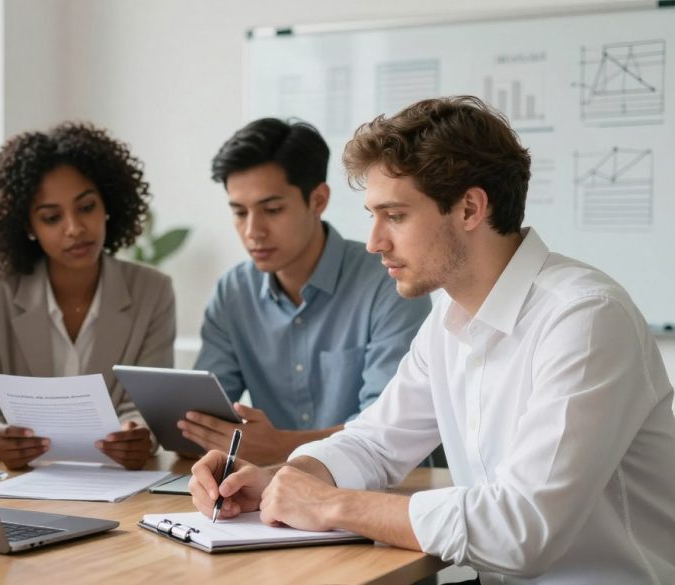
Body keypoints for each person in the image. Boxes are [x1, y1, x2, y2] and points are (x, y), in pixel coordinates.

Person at [189, 96, 675, 583]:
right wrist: (283, 480)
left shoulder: (585, 318)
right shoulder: (449, 317)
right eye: (373, 216)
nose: (375, 241)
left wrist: (333, 504)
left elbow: (523, 530)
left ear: (469, 208)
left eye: (395, 216)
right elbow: (375, 443)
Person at [178, 118, 430, 464]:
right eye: (239, 212)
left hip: (381, 486)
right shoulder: (233, 291)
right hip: (270, 491)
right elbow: (201, 418)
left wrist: (281, 446)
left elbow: (389, 431)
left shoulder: (389, 281)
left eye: (272, 210)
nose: (253, 231)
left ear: (318, 200)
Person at [0, 122, 175, 470]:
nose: (75, 228)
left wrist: (138, 433)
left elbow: (149, 404)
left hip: (117, 482)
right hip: (20, 483)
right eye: (52, 217)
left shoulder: (152, 290)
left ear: (108, 204)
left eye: (86, 207)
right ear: (28, 227)